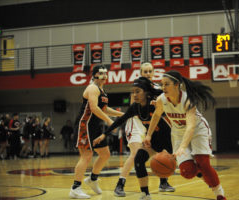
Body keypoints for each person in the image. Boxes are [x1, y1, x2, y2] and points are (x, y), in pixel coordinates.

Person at [143, 70, 227, 200]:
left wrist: (182, 147)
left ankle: (220, 194)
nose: (163, 87)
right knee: (187, 172)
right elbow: (156, 115)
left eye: (167, 84)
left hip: (198, 131)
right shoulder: (161, 100)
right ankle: (200, 172)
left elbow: (191, 127)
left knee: (203, 163)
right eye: (162, 84)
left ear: (177, 85)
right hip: (178, 133)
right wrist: (148, 135)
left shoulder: (188, 100)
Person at [93, 77, 173, 200]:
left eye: (137, 91)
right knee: (139, 159)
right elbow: (121, 120)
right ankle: (145, 194)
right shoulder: (135, 107)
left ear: (146, 92)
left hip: (170, 141)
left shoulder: (156, 102)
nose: (134, 95)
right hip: (153, 141)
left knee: (191, 166)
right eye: (133, 92)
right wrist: (104, 134)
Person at [113, 62, 174, 197]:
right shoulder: (138, 88)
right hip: (136, 122)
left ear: (153, 73)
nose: (147, 74)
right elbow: (134, 107)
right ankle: (120, 185)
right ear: (140, 73)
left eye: (149, 71)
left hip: (150, 123)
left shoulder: (158, 88)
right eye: (145, 71)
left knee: (159, 151)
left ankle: (163, 182)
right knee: (136, 154)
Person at [69, 64, 124, 199]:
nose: (104, 75)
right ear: (94, 75)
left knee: (105, 154)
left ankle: (92, 179)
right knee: (86, 156)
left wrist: (121, 115)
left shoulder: (102, 90)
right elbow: (94, 108)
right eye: (101, 73)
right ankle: (75, 188)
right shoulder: (92, 88)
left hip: (94, 126)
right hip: (85, 125)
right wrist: (109, 121)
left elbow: (104, 109)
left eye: (106, 73)